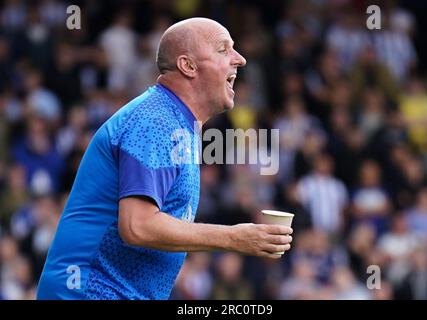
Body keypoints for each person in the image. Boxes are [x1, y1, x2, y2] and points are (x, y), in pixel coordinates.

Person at [36, 17, 293, 300]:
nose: (240, 59)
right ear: (188, 65)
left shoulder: (177, 123)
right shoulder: (155, 120)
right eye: (223, 50)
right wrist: (234, 238)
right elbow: (138, 226)